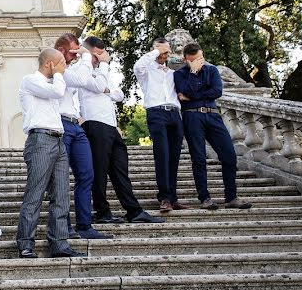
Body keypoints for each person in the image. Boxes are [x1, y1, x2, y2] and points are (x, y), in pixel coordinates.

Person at [78, 37, 164, 225]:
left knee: (120, 169)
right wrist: (103, 69)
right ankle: (102, 212)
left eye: (102, 54)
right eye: (97, 55)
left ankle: (134, 210)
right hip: (93, 123)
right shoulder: (81, 70)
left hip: (110, 125)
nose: (101, 58)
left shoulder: (103, 72)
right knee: (99, 170)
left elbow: (119, 94)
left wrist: (105, 87)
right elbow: (99, 87)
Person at [17, 49, 81, 258]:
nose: (65, 66)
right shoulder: (30, 80)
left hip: (59, 139)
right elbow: (56, 92)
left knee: (62, 194)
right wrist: (60, 75)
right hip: (40, 140)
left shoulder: (55, 83)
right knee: (35, 194)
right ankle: (26, 243)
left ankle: (59, 243)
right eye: (61, 63)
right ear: (49, 64)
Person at [174, 42, 252, 210]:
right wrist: (194, 73)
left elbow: (217, 91)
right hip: (192, 116)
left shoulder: (212, 70)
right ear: (185, 59)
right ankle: (205, 198)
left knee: (229, 155)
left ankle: (231, 197)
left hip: (213, 115)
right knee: (199, 158)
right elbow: (185, 92)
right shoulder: (179, 74)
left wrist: (193, 95)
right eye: (194, 60)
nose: (199, 63)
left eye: (200, 59)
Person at [52, 34, 111, 240]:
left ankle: (84, 225)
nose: (77, 55)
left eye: (79, 51)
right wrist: (86, 56)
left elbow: (86, 81)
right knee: (60, 179)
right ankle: (64, 226)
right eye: (74, 51)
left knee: (87, 174)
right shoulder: (57, 68)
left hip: (76, 126)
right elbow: (82, 79)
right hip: (60, 125)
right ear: (61, 51)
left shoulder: (72, 68)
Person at [134, 38, 186, 212]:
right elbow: (138, 66)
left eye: (166, 51)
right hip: (156, 113)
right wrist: (157, 50)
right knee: (162, 155)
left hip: (174, 114)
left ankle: (173, 197)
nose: (164, 54)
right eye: (161, 51)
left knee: (174, 157)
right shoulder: (146, 71)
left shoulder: (172, 73)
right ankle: (164, 197)